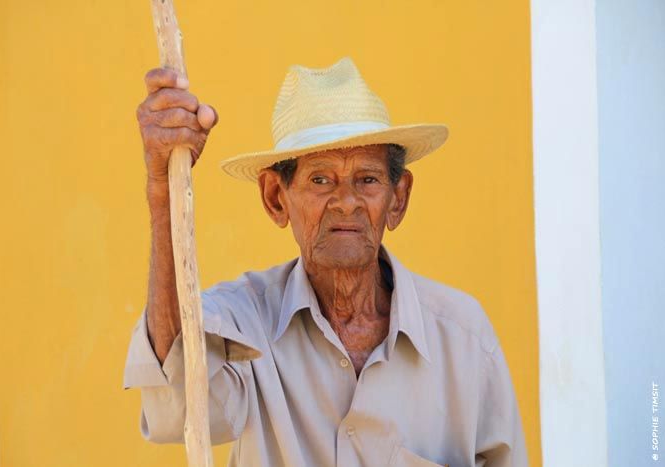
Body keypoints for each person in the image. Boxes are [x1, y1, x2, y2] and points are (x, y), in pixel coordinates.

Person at [124, 56, 528, 467]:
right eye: (320, 180)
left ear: (398, 197)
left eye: (367, 179)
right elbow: (175, 408)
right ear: (276, 198)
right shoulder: (244, 325)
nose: (346, 202)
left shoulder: (463, 339)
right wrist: (163, 187)